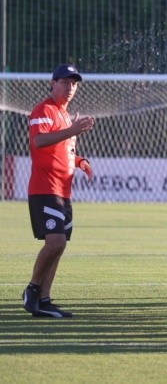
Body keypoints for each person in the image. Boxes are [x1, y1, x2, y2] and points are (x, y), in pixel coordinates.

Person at [23, 64, 95, 318]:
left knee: (60, 245)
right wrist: (72, 130)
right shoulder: (44, 110)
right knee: (55, 241)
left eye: (74, 83)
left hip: (64, 191)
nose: (70, 87)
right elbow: (39, 141)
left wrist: (81, 161)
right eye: (65, 82)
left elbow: (66, 152)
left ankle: (44, 299)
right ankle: (32, 289)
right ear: (52, 84)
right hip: (45, 189)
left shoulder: (65, 115)